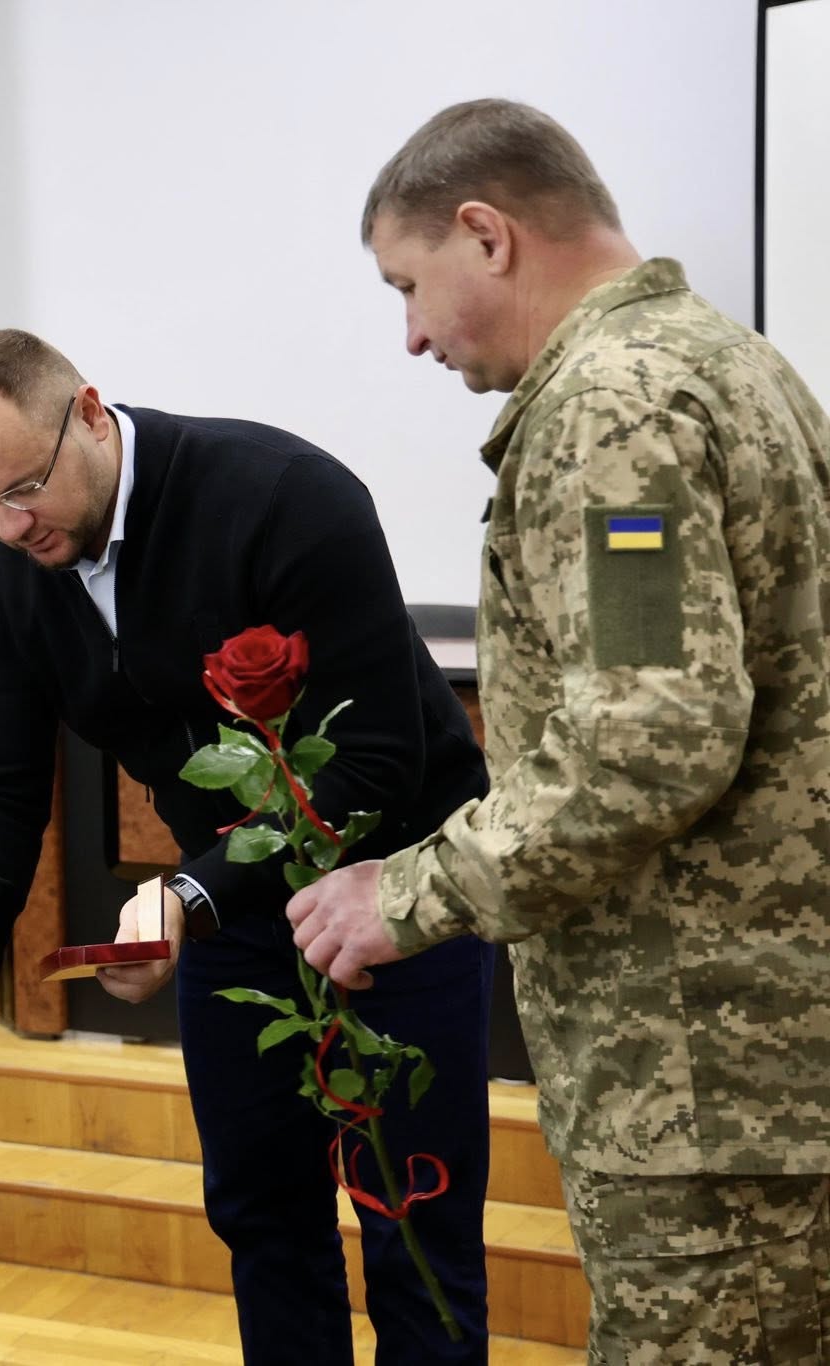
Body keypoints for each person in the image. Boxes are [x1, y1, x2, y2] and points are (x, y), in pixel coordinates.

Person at [288, 98, 830, 1361]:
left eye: (407, 284)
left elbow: (648, 737)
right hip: (765, 1057)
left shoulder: (610, 407)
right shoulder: (733, 364)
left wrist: (404, 896)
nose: (410, 333)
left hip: (698, 1076)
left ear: (485, 232)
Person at [0, 328, 495, 1363]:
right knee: (262, 1218)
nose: (7, 526)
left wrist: (184, 893)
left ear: (88, 411)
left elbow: (370, 759)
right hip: (233, 909)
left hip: (396, 893)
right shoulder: (2, 577)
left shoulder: (280, 494)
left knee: (416, 1228)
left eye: (23, 488)